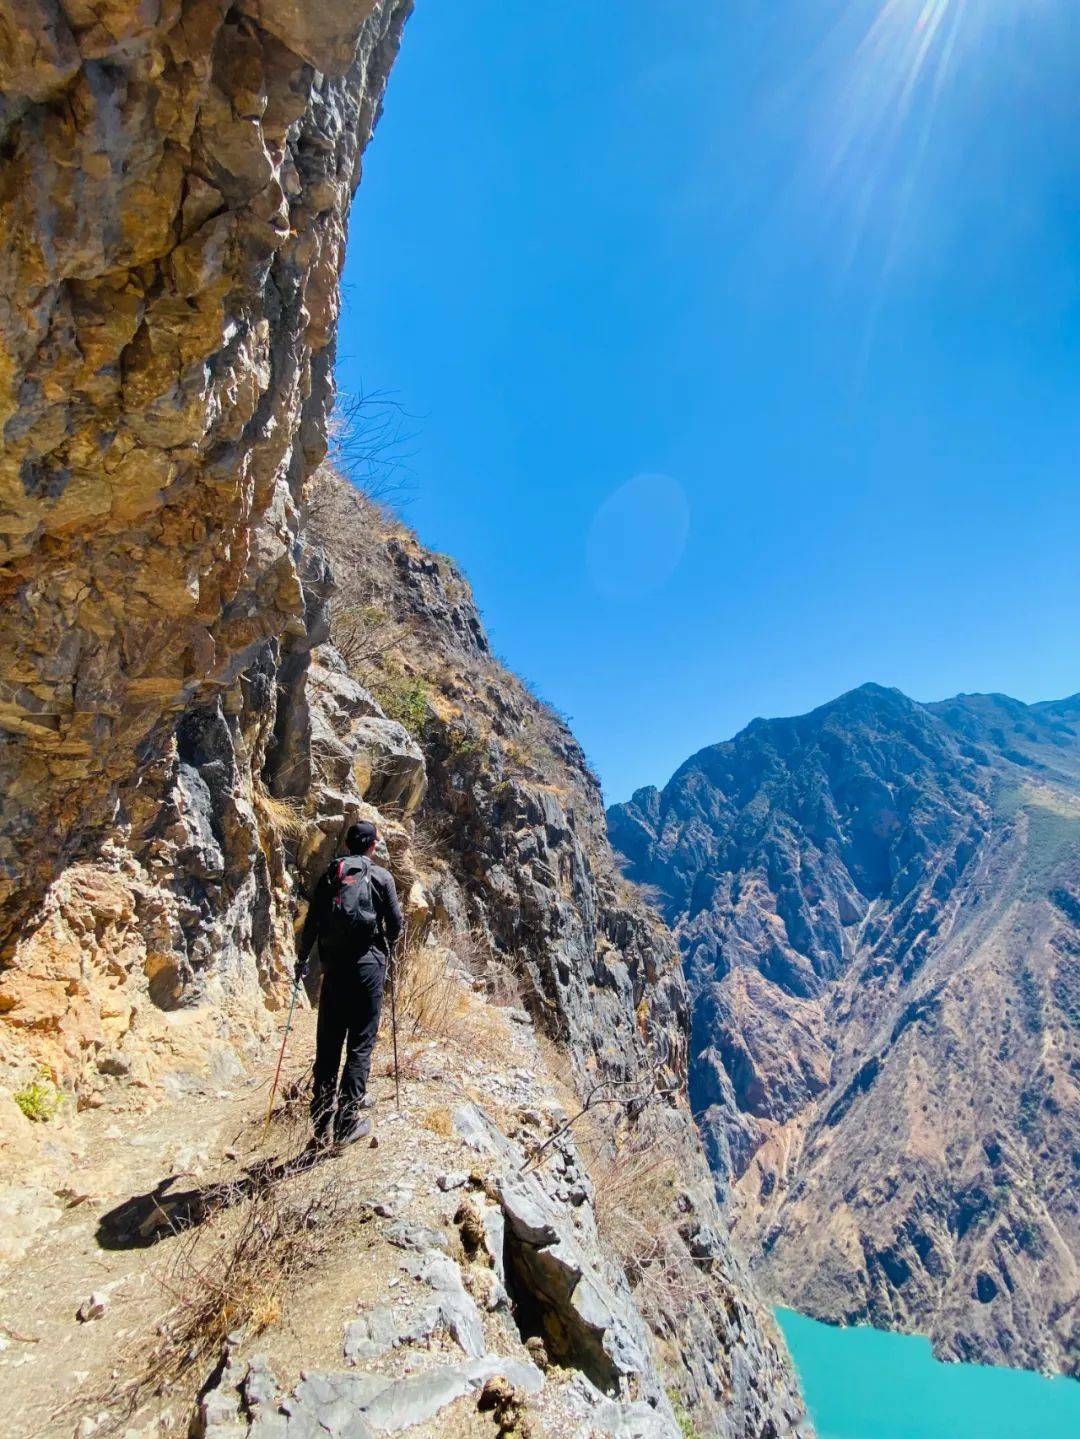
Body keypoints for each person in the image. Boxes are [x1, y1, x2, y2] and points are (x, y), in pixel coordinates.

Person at [295, 820, 403, 1147]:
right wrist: (384, 946)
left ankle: (320, 1122)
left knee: (328, 1045)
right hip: (368, 968)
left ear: (347, 845)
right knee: (360, 1045)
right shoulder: (382, 876)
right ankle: (346, 1123)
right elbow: (396, 924)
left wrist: (303, 959)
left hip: (334, 969)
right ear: (373, 846)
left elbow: (312, 921)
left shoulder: (331, 874)